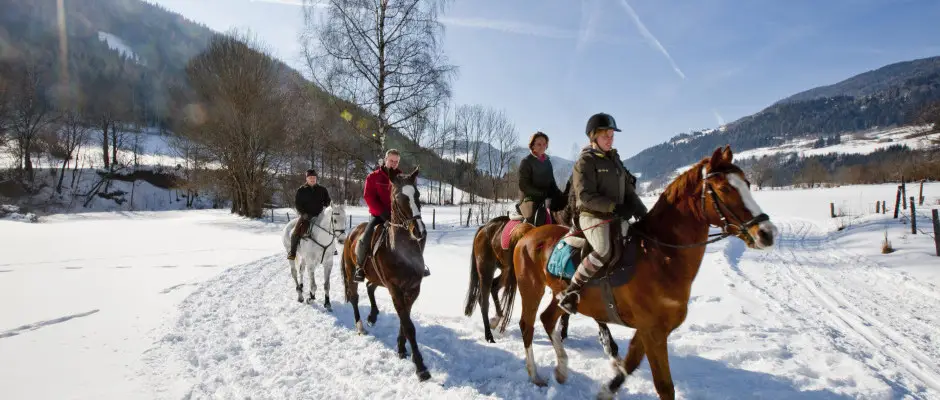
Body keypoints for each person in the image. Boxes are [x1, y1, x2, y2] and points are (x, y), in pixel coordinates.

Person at [555, 112, 647, 315]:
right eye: (606, 135)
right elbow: (586, 196)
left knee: (637, 240)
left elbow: (629, 190)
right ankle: (571, 291)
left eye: (612, 135)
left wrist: (642, 211)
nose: (610, 139)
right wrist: (614, 207)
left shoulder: (615, 160)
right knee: (604, 249)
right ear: (593, 137)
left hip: (615, 215)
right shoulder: (585, 162)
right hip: (591, 215)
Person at [354, 149, 431, 281]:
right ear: (385, 160)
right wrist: (382, 213)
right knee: (366, 235)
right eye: (391, 161)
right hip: (379, 216)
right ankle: (359, 267)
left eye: (396, 161)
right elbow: (369, 197)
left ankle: (419, 263)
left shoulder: (402, 178)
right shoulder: (373, 177)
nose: (394, 164)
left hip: (400, 217)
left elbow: (408, 197)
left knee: (421, 232)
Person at [517, 131, 564, 226]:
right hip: (529, 199)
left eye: (544, 144)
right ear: (532, 146)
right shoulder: (526, 162)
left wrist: (562, 196)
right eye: (539, 144)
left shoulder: (548, 162)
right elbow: (524, 186)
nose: (542, 146)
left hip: (546, 198)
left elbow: (552, 183)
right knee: (538, 218)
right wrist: (541, 194)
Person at [288, 169, 332, 260]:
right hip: (306, 216)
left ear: (316, 178)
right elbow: (297, 204)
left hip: (320, 215)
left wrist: (326, 208)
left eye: (314, 177)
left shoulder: (322, 189)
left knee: (331, 228)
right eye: (310, 177)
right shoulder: (301, 190)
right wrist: (303, 214)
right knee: (296, 231)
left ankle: (332, 248)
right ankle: (292, 252)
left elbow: (328, 201)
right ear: (307, 179)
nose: (312, 179)